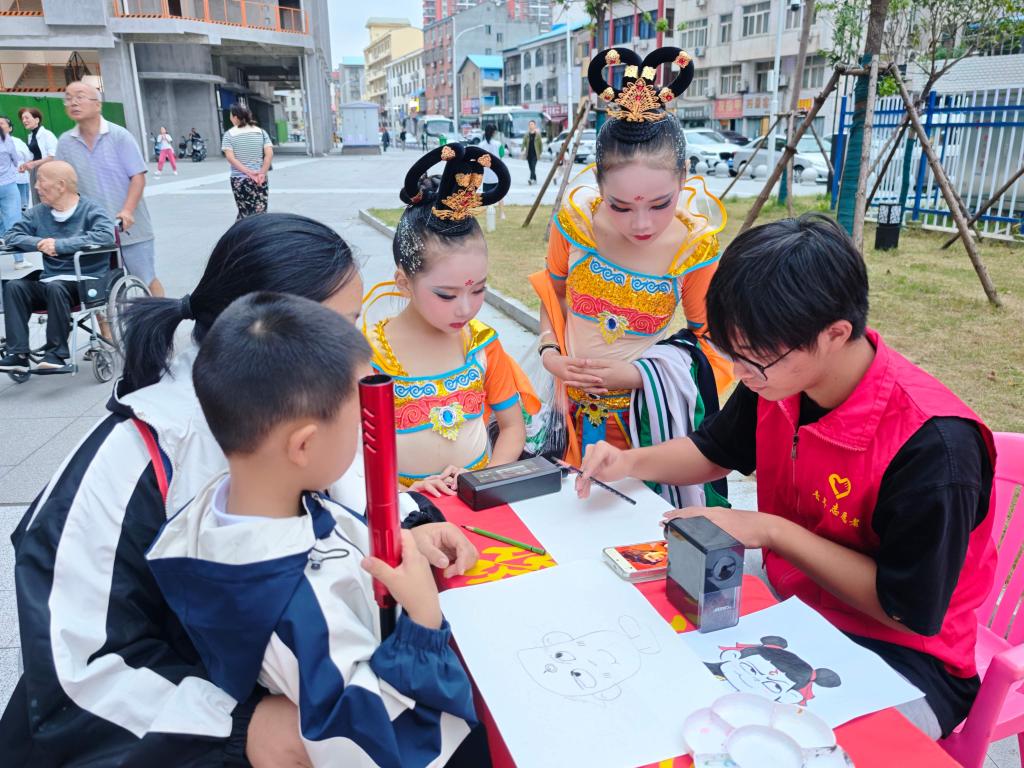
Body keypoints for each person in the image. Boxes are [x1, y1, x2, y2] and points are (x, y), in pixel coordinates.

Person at [0, 213, 480, 765]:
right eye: (346, 326)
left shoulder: (296, 412)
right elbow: (74, 676)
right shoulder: (135, 458)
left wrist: (409, 527)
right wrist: (243, 729)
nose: (362, 351)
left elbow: (351, 495)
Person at [576, 213, 997, 741]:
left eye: (754, 360)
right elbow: (714, 450)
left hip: (905, 656)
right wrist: (630, 462)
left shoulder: (934, 448)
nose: (742, 373)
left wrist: (770, 531)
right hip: (793, 600)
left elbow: (907, 610)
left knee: (773, 744)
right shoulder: (778, 377)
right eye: (733, 354)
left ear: (835, 334)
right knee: (639, 648)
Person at [147, 292, 483, 766]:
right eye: (360, 422)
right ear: (303, 446)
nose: (366, 439)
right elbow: (381, 743)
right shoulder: (292, 605)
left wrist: (404, 538)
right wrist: (424, 621)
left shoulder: (234, 506)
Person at [531, 47, 732, 483]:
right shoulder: (575, 226)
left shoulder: (693, 249)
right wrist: (550, 352)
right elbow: (554, 295)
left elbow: (714, 347)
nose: (642, 224)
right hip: (569, 414)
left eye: (660, 204)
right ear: (598, 183)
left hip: (646, 425)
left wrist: (641, 376)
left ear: (683, 177)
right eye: (620, 206)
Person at [363, 144, 539, 495]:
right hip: (406, 510)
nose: (465, 309)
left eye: (478, 290)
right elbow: (354, 456)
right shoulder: (369, 357)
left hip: (477, 502)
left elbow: (511, 428)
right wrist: (405, 495)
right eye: (446, 295)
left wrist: (483, 483)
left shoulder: (482, 345)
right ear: (404, 282)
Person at [0, 161, 115, 372]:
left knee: (56, 287)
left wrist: (59, 245)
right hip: (51, 280)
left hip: (84, 281)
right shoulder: (38, 213)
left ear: (61, 185)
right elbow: (12, 235)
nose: (36, 187)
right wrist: (38, 243)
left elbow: (105, 236)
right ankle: (17, 354)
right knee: (14, 287)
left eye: (40, 181)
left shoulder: (91, 209)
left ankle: (56, 354)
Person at [52, 81, 164, 297]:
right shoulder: (65, 142)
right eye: (68, 98)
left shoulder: (119, 136)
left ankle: (164, 318)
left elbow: (138, 177)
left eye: (79, 97)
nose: (73, 102)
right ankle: (106, 322)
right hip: (91, 231)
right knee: (98, 289)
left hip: (130, 227)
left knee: (146, 278)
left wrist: (127, 211)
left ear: (98, 104)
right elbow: (63, 184)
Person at [221, 103, 273, 220]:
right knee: (261, 213)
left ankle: (242, 231)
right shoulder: (261, 132)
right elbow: (269, 155)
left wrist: (248, 172)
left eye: (231, 115)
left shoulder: (229, 135)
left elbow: (230, 158)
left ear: (235, 117)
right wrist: (262, 173)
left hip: (240, 179)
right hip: (260, 179)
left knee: (244, 212)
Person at [0, 113, 24, 264]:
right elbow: (15, 160)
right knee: (13, 220)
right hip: (7, 184)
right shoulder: (7, 140)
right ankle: (19, 260)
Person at [0, 116, 31, 210]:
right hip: (3, 183)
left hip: (19, 179)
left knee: (21, 208)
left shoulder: (18, 142)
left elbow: (28, 158)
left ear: (10, 128)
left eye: (1, 123)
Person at [17, 106, 59, 174]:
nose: (24, 121)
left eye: (27, 118)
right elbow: (34, 157)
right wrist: (25, 165)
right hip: (37, 172)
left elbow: (53, 156)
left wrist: (34, 163)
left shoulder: (47, 134)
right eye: (23, 119)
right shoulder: (31, 137)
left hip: (49, 172)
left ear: (37, 120)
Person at [478, 124, 506, 221]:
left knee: (487, 196)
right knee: (500, 195)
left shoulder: (481, 145)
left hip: (486, 175)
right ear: (494, 133)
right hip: (496, 175)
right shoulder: (498, 144)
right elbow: (502, 156)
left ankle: (489, 214)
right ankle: (502, 214)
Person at [521, 119, 543, 185]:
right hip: (528, 154)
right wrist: (522, 149)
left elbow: (540, 144)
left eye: (532, 124)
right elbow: (524, 143)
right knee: (531, 167)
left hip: (535, 154)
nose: (531, 125)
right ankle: (535, 179)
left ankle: (531, 179)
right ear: (528, 126)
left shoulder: (538, 135)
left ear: (535, 125)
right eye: (530, 124)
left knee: (533, 166)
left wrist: (540, 153)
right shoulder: (526, 134)